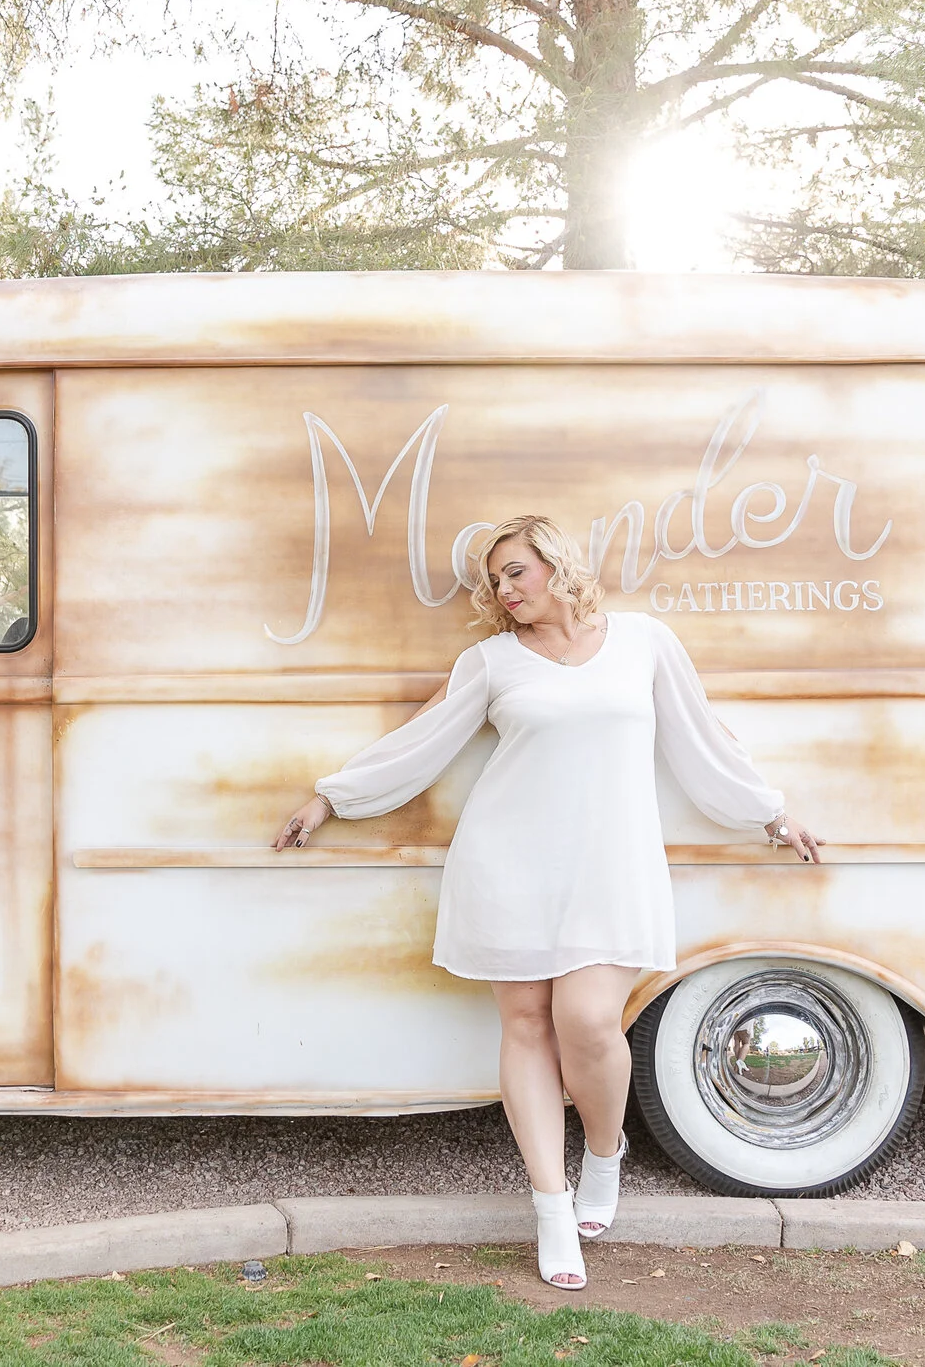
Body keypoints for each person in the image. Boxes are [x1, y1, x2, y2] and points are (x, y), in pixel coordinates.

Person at [272, 513, 822, 1290]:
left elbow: (701, 739)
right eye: (493, 581)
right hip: (508, 864)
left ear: (555, 565)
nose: (502, 590)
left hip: (611, 864)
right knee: (526, 1023)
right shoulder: (491, 662)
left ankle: (604, 1153)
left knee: (590, 1021)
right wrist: (331, 799)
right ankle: (550, 1205)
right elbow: (422, 742)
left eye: (514, 572)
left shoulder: (644, 641)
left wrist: (769, 811)